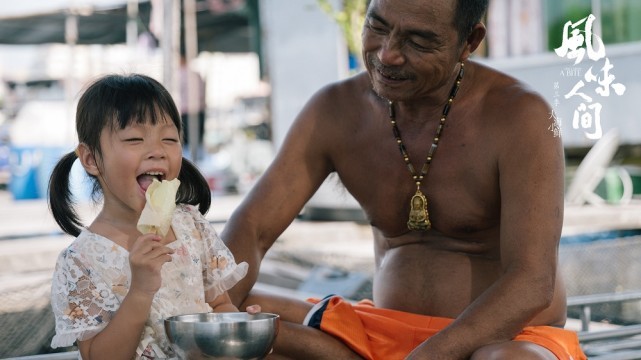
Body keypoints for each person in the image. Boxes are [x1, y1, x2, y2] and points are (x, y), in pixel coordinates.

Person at [221, 0, 587, 359]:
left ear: (469, 42)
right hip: (378, 332)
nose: (388, 55)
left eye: (418, 41)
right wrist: (211, 308)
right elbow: (254, 228)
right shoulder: (335, 111)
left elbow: (532, 282)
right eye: (378, 27)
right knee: (239, 317)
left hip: (507, 339)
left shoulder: (521, 116)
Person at [47, 74, 256, 359]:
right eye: (134, 139)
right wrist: (141, 291)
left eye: (169, 139)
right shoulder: (80, 263)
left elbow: (219, 305)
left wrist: (235, 328)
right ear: (91, 159)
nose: (157, 151)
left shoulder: (191, 226)